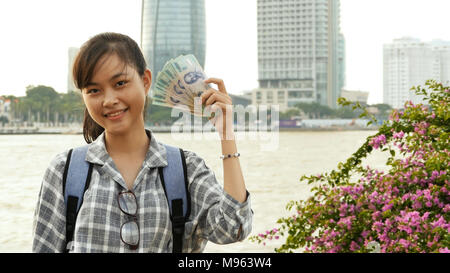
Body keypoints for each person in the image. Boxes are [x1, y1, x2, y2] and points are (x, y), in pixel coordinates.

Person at [32, 32, 253, 253]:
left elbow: (234, 227)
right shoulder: (66, 171)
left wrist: (227, 135)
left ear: (145, 81)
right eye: (94, 90)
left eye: (120, 83)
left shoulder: (186, 170)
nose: (109, 100)